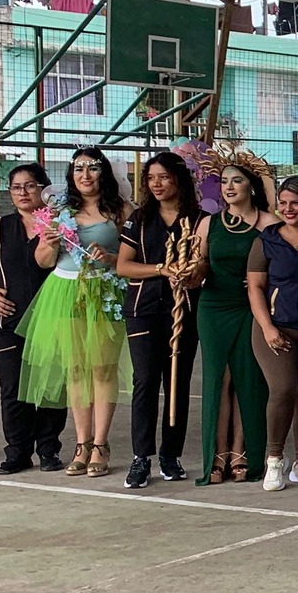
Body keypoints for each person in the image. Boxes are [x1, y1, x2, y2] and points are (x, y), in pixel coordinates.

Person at [16, 147, 131, 478]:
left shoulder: (121, 209)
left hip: (103, 292)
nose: (85, 175)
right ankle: (82, 443)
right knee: (77, 371)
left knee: (103, 370)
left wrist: (111, 257)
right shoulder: (59, 210)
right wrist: (50, 243)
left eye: (92, 168)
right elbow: (42, 261)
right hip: (63, 291)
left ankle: (101, 444)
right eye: (78, 168)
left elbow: (133, 255)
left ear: (104, 172)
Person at [0, 163, 69, 475]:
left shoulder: (61, 223)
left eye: (30, 186)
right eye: (16, 187)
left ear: (45, 188)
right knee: (13, 389)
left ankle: (49, 449)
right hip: (8, 319)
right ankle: (17, 451)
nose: (23, 192)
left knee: (51, 387)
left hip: (53, 318)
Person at [116, 150, 202, 486]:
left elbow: (205, 261)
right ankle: (141, 458)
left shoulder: (199, 219)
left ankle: (171, 455)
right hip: (143, 309)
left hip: (183, 309)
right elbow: (124, 265)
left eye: (164, 177)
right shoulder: (139, 219)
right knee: (146, 380)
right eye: (151, 178)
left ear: (179, 179)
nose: (157, 184)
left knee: (178, 381)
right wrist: (160, 269)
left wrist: (193, 273)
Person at [192, 152, 275, 484]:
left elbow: (284, 265)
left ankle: (242, 451)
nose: (228, 187)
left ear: (251, 186)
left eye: (236, 180)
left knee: (247, 379)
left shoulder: (269, 223)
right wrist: (188, 275)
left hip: (251, 307)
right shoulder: (208, 223)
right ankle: (218, 453)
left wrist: (263, 283)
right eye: (224, 181)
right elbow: (199, 263)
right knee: (219, 379)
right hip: (213, 306)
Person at [248, 176, 298, 491]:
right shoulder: (267, 240)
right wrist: (267, 327)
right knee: (283, 390)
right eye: (282, 203)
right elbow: (255, 287)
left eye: (295, 202)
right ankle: (274, 459)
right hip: (276, 328)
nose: (288, 209)